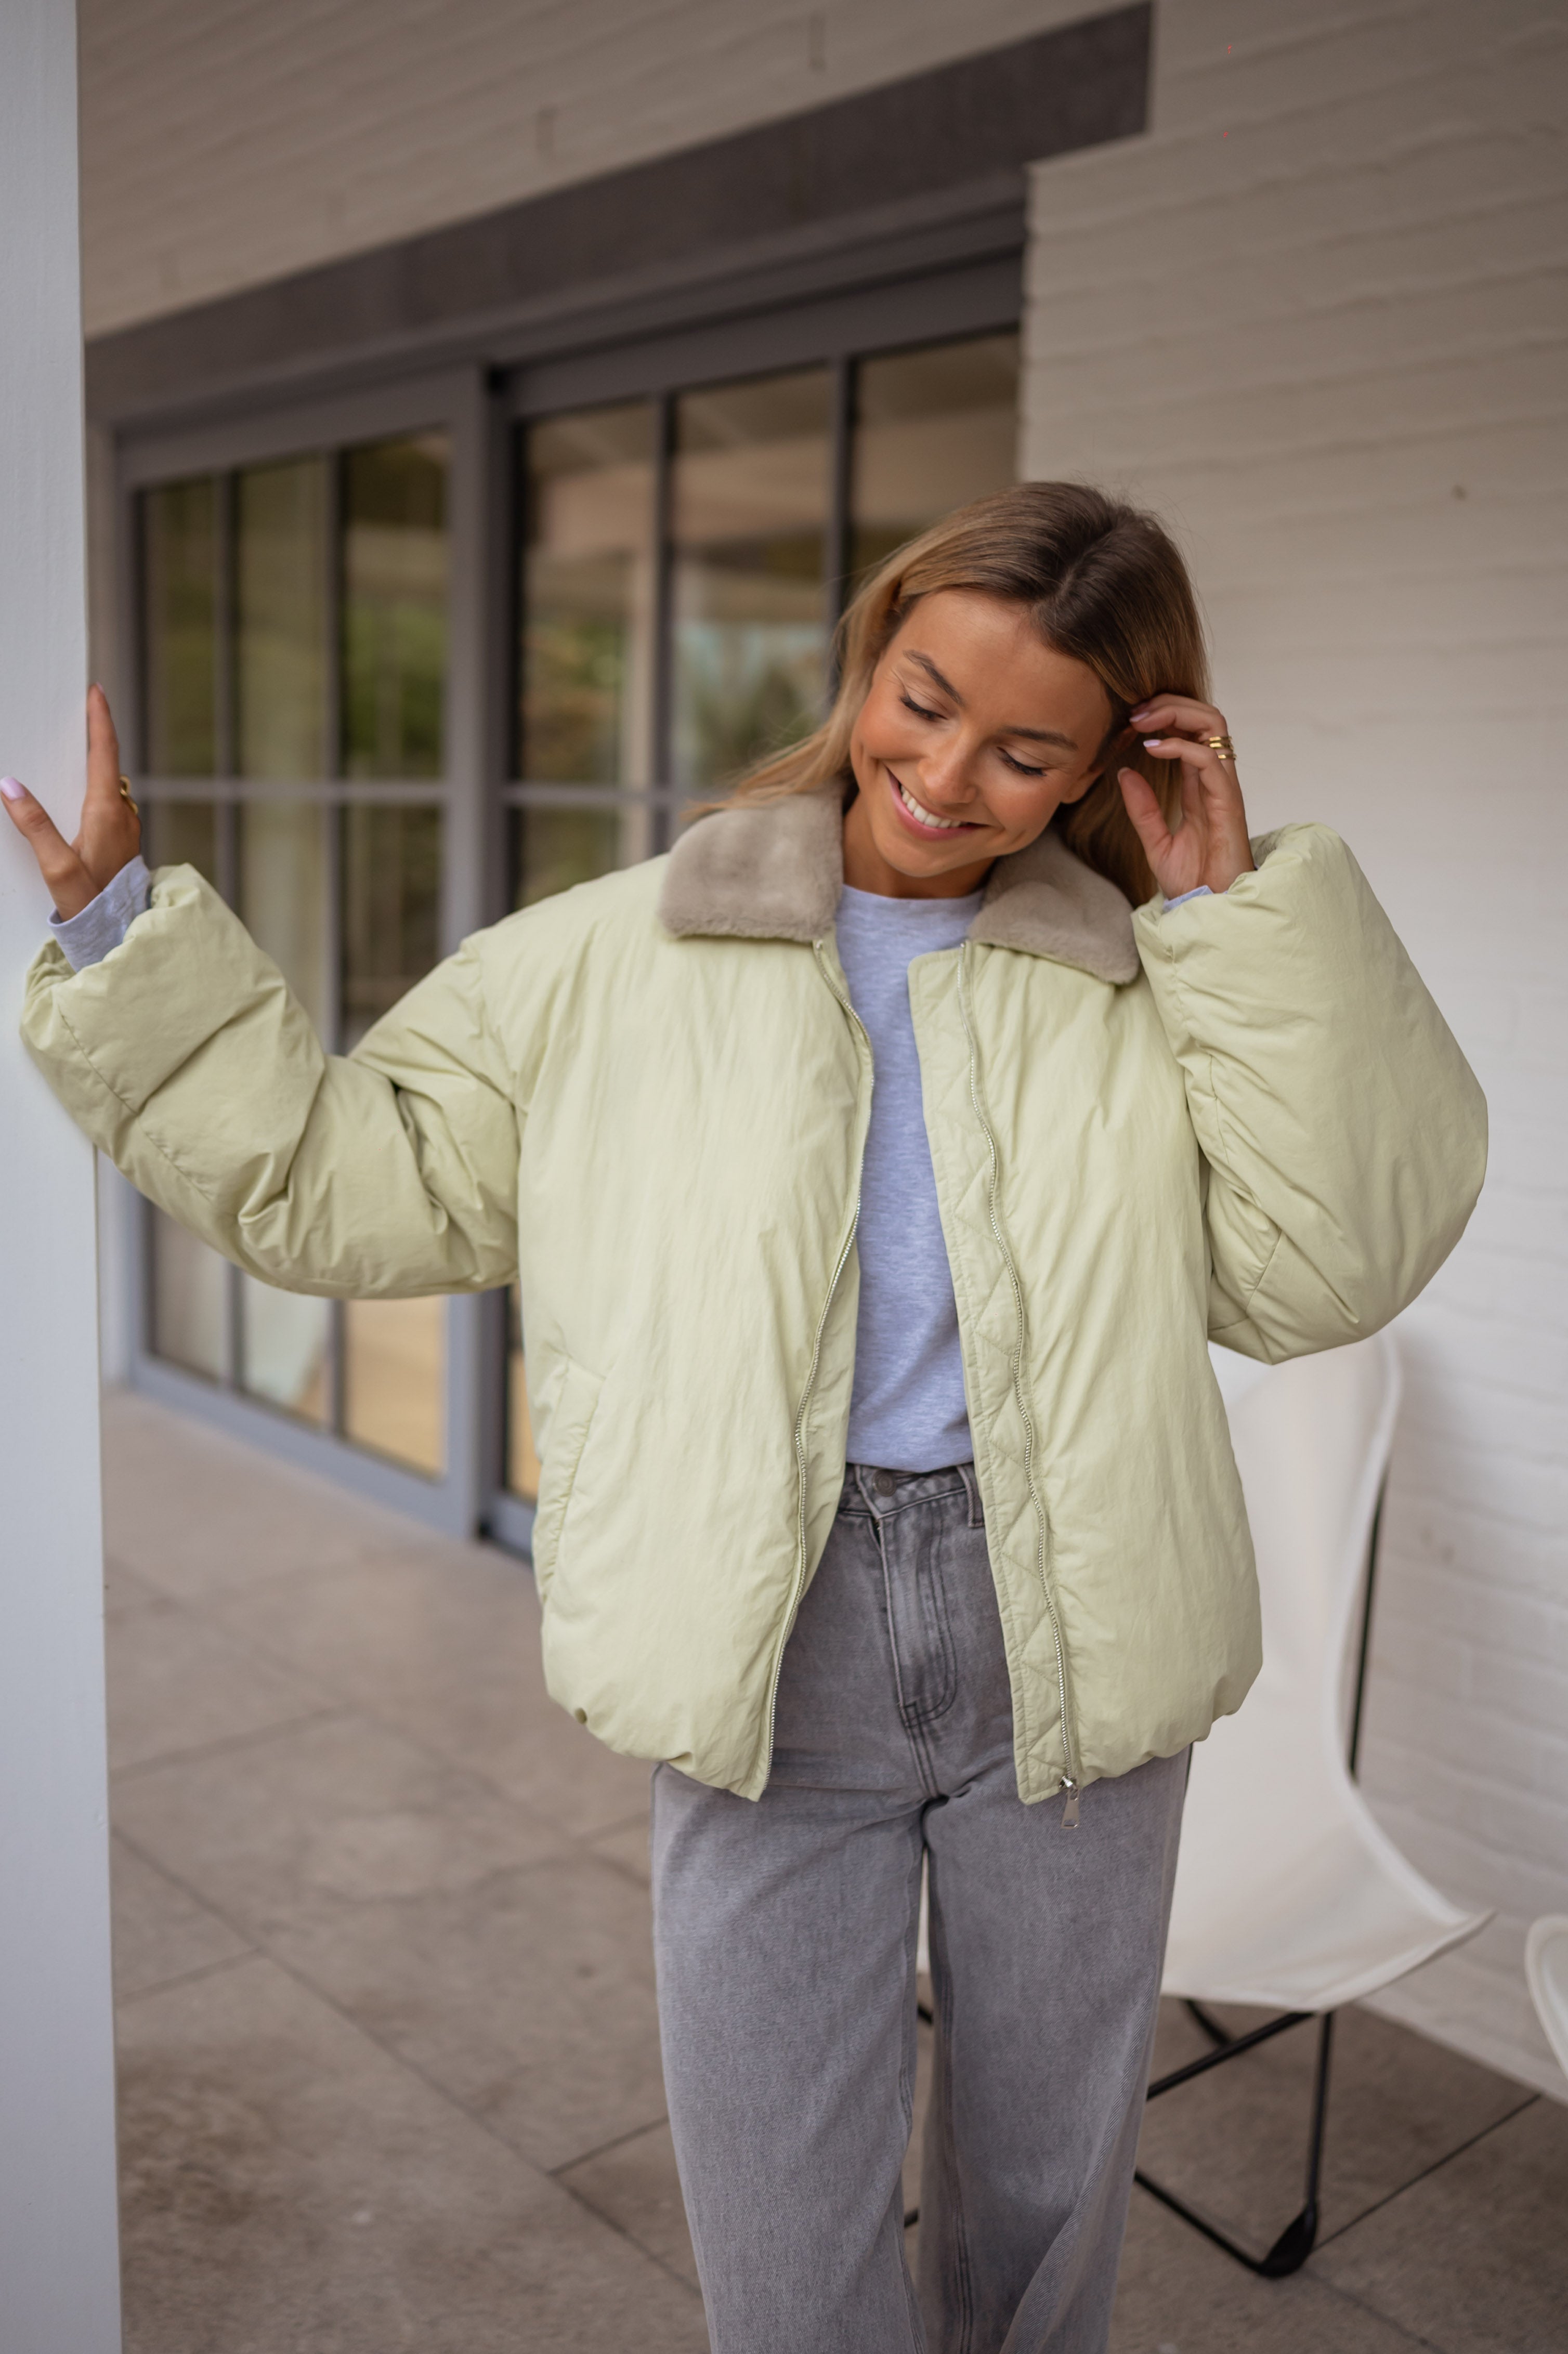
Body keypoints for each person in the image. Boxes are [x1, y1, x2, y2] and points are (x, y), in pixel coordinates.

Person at [6, 483, 1485, 2353]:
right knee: (788, 2243)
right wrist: (128, 936)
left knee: (1045, 2212)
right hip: (767, 1637)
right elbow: (332, 1180)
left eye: (1030, 751)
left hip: (1081, 1635)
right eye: (926, 700)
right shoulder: (614, 958)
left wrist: (1236, 916)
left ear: (1113, 761)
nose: (949, 775)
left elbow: (1331, 1263)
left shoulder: (1143, 978)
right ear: (874, 650)